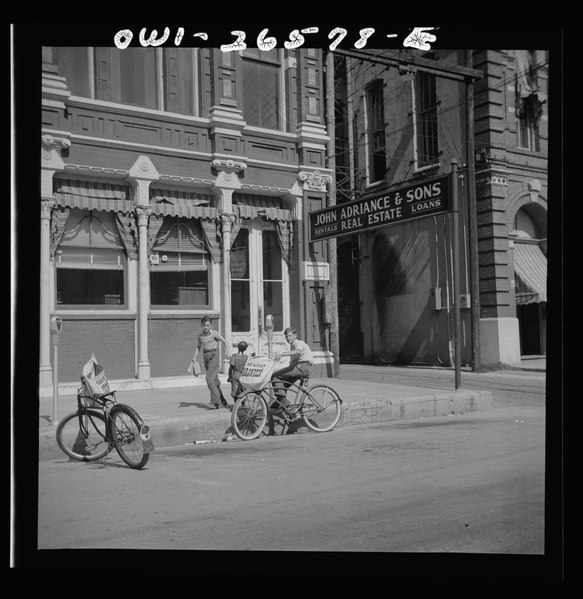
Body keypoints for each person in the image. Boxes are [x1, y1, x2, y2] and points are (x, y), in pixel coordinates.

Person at [193, 316, 230, 409]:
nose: (206, 327)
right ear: (201, 325)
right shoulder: (200, 336)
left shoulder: (214, 334)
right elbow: (198, 347)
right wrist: (194, 357)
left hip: (214, 356)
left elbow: (224, 340)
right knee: (215, 381)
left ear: (211, 325)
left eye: (208, 325)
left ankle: (215, 402)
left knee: (209, 379)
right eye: (204, 325)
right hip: (205, 357)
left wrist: (227, 351)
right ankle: (223, 402)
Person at [271, 327, 313, 409]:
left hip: (303, 367)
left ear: (295, 335)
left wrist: (282, 354)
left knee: (275, 376)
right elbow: (291, 364)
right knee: (282, 385)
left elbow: (298, 351)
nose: (288, 338)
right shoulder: (293, 346)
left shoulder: (299, 343)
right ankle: (280, 403)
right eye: (286, 336)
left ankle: (283, 401)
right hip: (300, 367)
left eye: (290, 336)